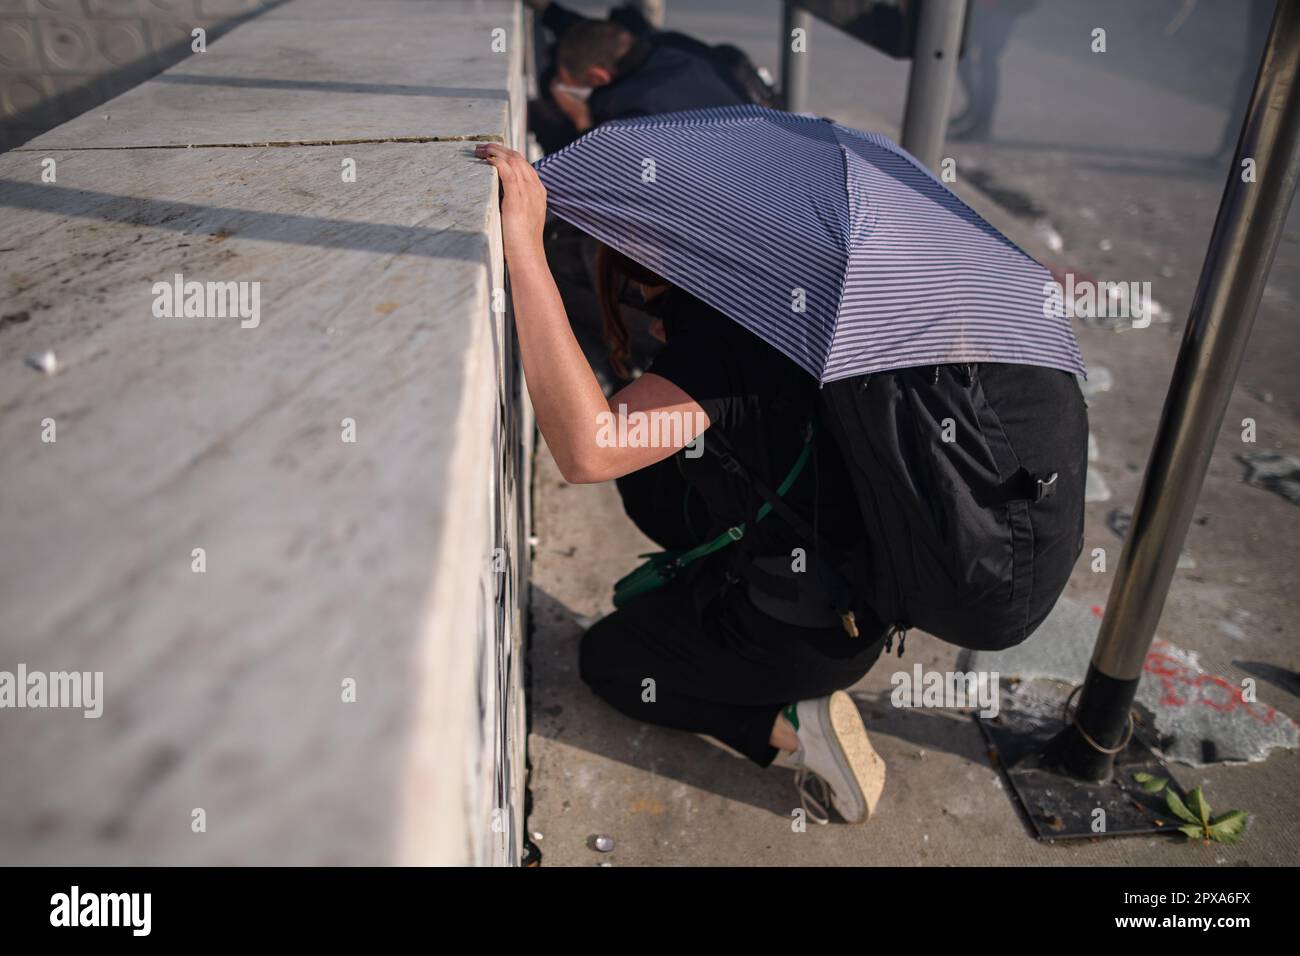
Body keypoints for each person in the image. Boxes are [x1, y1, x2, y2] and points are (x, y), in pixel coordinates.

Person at [475, 141, 889, 825]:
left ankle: (790, 722)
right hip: (853, 602)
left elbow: (589, 451)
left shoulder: (723, 350)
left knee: (608, 662)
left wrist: (524, 250)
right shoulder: (793, 297)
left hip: (798, 637)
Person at [525, 0, 760, 153]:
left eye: (564, 84)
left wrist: (582, 120)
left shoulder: (628, 105)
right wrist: (548, 10)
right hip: (758, 138)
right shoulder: (667, 44)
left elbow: (603, 164)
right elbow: (591, 36)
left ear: (598, 77)